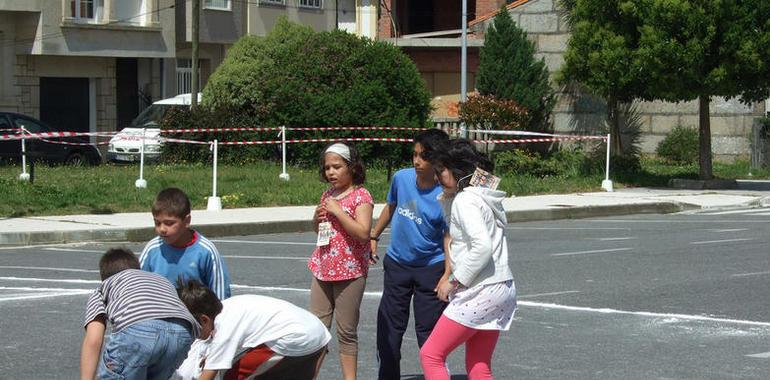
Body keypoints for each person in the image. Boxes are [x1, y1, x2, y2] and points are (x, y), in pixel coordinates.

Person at [419, 139, 516, 380]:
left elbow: (481, 247)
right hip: (501, 287)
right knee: (479, 364)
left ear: (458, 170)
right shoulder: (480, 196)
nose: (437, 176)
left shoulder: (466, 200)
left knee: (431, 354)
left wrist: (453, 280)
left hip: (481, 290)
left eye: (441, 170)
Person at [369, 128, 450, 380]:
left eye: (423, 156)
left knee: (428, 332)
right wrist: (374, 235)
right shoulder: (401, 178)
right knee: (390, 329)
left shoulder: (446, 194)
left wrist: (447, 274)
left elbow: (449, 239)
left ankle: (435, 374)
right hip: (398, 265)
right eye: (414, 154)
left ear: (437, 160)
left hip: (431, 268)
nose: (416, 161)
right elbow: (391, 207)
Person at [80, 248, 199, 380]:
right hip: (182, 332)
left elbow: (94, 339)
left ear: (104, 277)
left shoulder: (104, 287)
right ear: (138, 268)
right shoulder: (161, 280)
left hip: (138, 329)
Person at [175, 280, 331, 380]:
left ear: (204, 319)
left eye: (193, 329)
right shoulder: (227, 307)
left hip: (297, 338)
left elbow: (209, 375)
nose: (193, 335)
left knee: (231, 376)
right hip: (317, 333)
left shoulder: (225, 329)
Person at [309, 142, 374, 380]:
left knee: (346, 332)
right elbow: (320, 230)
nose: (331, 172)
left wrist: (338, 212)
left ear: (352, 167)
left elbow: (363, 232)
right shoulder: (328, 195)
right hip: (323, 267)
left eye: (337, 166)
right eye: (327, 168)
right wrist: (316, 219)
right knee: (316, 329)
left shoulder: (361, 196)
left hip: (350, 270)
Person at [139, 187, 231, 300]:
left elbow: (220, 296)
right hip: (159, 315)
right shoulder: (152, 249)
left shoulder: (206, 251)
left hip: (195, 316)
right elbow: (137, 287)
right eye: (157, 223)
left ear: (187, 221)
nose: (162, 229)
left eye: (169, 223)